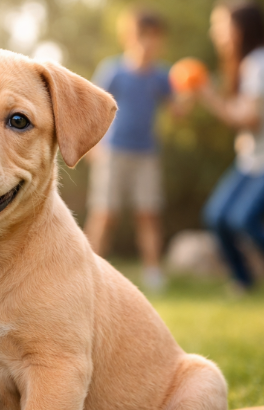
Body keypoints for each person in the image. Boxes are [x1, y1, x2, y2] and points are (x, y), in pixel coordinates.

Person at [199, 1, 264, 294]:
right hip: (254, 159)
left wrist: (207, 95)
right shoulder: (249, 65)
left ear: (240, 30)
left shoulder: (262, 64)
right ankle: (243, 282)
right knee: (217, 216)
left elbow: (250, 118)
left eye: (221, 26)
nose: (215, 33)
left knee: (244, 218)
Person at [85, 7, 186, 292]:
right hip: (113, 152)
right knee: (104, 213)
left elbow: (178, 111)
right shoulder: (113, 71)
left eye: (154, 37)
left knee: (148, 213)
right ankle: (86, 269)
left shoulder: (162, 75)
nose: (148, 43)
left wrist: (189, 92)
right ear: (129, 38)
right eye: (143, 36)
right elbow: (92, 108)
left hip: (146, 154)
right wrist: (92, 147)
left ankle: (153, 273)